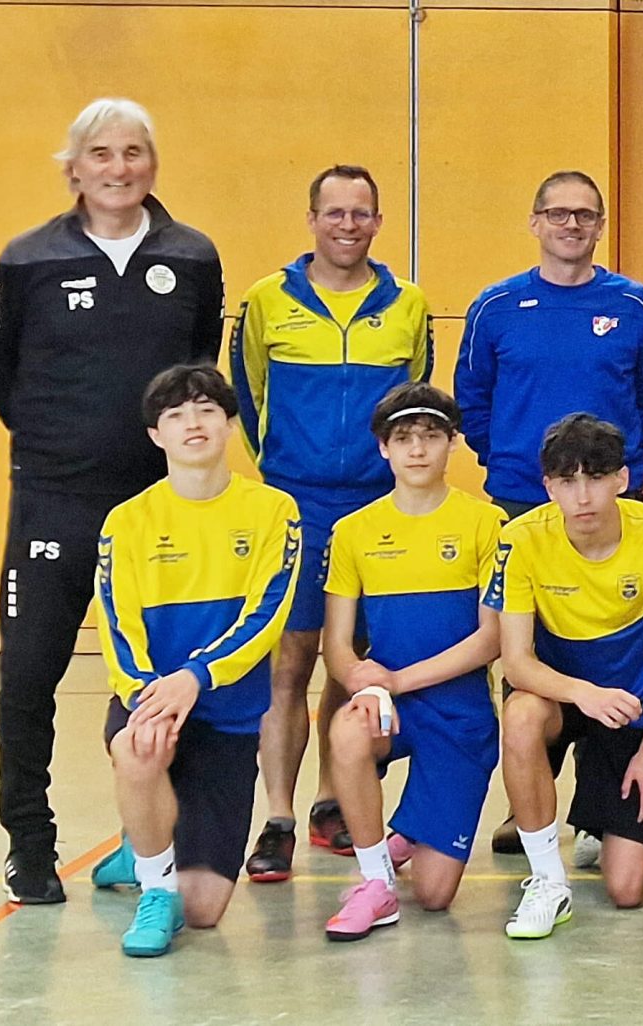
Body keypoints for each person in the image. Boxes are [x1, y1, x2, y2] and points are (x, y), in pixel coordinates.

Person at [0, 98, 225, 905]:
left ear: (151, 164)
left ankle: (143, 838)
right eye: (101, 154)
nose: (118, 169)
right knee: (28, 676)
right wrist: (65, 447)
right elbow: (2, 376)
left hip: (159, 503)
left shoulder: (191, 256)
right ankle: (29, 843)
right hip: (53, 501)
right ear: (74, 167)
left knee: (155, 677)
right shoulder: (27, 259)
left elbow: (197, 372)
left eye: (132, 153)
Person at [228, 164, 434, 879]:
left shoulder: (408, 304)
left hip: (377, 512)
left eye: (361, 213)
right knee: (289, 663)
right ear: (312, 219)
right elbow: (247, 397)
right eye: (335, 212)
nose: (348, 225)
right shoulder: (266, 301)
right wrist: (282, 472)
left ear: (378, 222)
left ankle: (329, 802)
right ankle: (278, 817)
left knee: (351, 661)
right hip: (298, 505)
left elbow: (413, 401)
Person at [95, 365, 301, 956]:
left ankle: (141, 842)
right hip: (151, 699)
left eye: (208, 410)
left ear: (231, 425)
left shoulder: (274, 510)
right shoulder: (127, 521)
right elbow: (117, 624)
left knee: (205, 911)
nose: (194, 423)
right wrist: (146, 696)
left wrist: (197, 676)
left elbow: (266, 614)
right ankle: (155, 885)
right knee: (138, 748)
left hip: (227, 711)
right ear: (156, 434)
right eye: (176, 414)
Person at [307, 384, 506, 940]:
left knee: (436, 895)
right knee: (347, 731)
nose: (417, 449)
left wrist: (397, 679)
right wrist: (362, 679)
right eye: (403, 438)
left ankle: (410, 834)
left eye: (430, 436)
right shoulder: (353, 532)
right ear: (383, 448)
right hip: (390, 708)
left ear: (452, 444)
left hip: (460, 714)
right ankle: (376, 881)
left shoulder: (486, 523)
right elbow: (337, 644)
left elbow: (491, 639)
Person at [490, 413, 643, 939]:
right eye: (567, 481)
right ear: (548, 487)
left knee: (627, 890)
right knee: (520, 716)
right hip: (559, 698)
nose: (582, 497)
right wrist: (583, 693)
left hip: (630, 709)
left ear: (622, 479)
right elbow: (516, 662)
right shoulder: (520, 539)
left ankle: (598, 818)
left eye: (596, 478)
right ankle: (548, 881)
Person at [459, 170, 643, 519]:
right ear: (535, 223)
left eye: (584, 215)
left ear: (600, 226)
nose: (572, 224)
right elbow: (472, 402)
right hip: (520, 494)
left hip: (611, 495)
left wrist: (606, 464)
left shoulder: (636, 305)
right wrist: (512, 459)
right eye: (558, 214)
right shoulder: (495, 306)